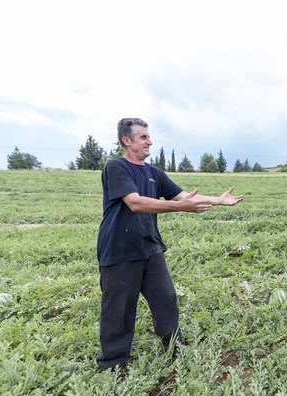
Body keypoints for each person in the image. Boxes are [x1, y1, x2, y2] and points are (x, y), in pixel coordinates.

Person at [96, 117, 244, 371]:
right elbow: (135, 202)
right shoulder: (116, 167)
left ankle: (173, 347)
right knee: (118, 309)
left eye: (148, 136)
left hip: (149, 246)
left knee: (165, 298)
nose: (149, 141)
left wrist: (219, 201)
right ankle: (113, 364)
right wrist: (180, 207)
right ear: (126, 140)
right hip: (119, 249)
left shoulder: (153, 172)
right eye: (143, 137)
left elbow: (184, 196)